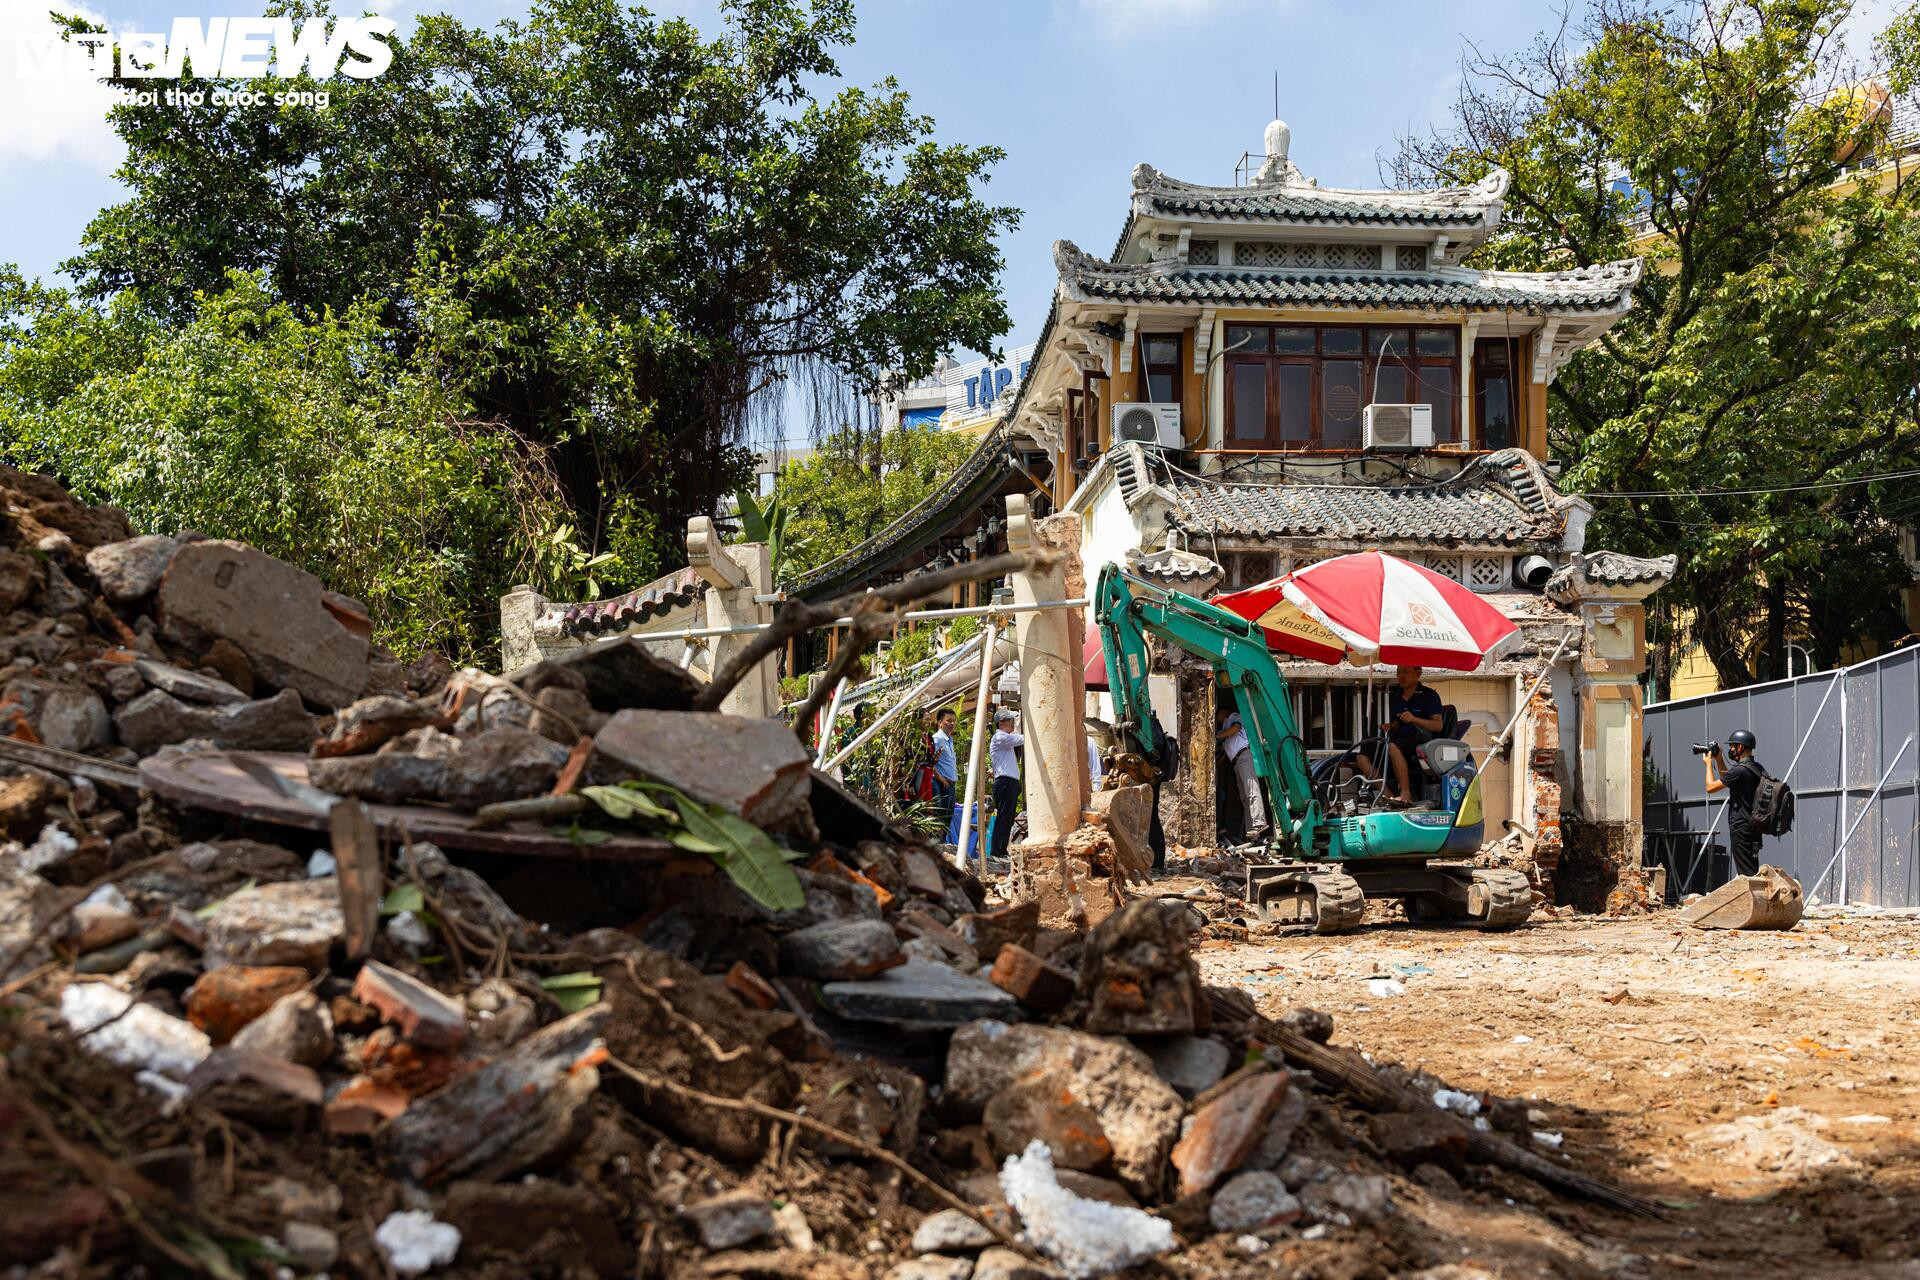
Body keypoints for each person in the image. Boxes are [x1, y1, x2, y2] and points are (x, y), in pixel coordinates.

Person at [1356, 665, 1444, 806]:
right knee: (1362, 755)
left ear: (1418, 673)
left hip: (1422, 739)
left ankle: (1405, 793)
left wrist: (1414, 719)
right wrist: (1391, 726)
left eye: (1405, 672)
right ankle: (1387, 795)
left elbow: (1438, 726)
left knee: (1392, 746)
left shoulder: (1429, 695)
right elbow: (1397, 723)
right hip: (1399, 738)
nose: (1401, 676)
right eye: (1398, 672)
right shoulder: (1395, 696)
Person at [1704, 729, 1764, 879]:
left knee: (1746, 875)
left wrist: (1708, 764)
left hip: (1741, 826)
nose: (1730, 750)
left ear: (1740, 747)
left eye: (1732, 746)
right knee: (1751, 868)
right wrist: (1719, 759)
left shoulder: (1740, 770)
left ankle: (1752, 902)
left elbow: (1710, 787)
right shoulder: (1756, 768)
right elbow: (1729, 779)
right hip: (1754, 826)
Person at [1216, 708, 1269, 843]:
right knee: (1245, 798)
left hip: (1245, 755)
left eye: (1218, 713)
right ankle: (1253, 834)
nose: (1217, 716)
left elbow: (1236, 729)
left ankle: (1259, 822)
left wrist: (1217, 736)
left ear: (1224, 713)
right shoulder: (1223, 730)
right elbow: (1223, 753)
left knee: (1252, 789)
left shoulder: (1233, 717)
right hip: (1236, 761)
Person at [988, 708, 1023, 862]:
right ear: (1001, 722)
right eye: (1010, 721)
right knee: (1004, 818)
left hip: (1009, 782)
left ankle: (1001, 850)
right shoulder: (1000, 737)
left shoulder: (1004, 737)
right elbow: (1021, 739)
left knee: (1007, 818)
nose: (1012, 724)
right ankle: (997, 852)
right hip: (1005, 782)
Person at [930, 707, 958, 835]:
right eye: (948, 721)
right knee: (940, 817)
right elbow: (929, 761)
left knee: (947, 818)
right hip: (941, 783)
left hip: (950, 783)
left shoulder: (949, 739)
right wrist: (940, 778)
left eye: (953, 721)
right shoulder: (937, 738)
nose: (952, 724)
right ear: (940, 723)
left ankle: (943, 848)